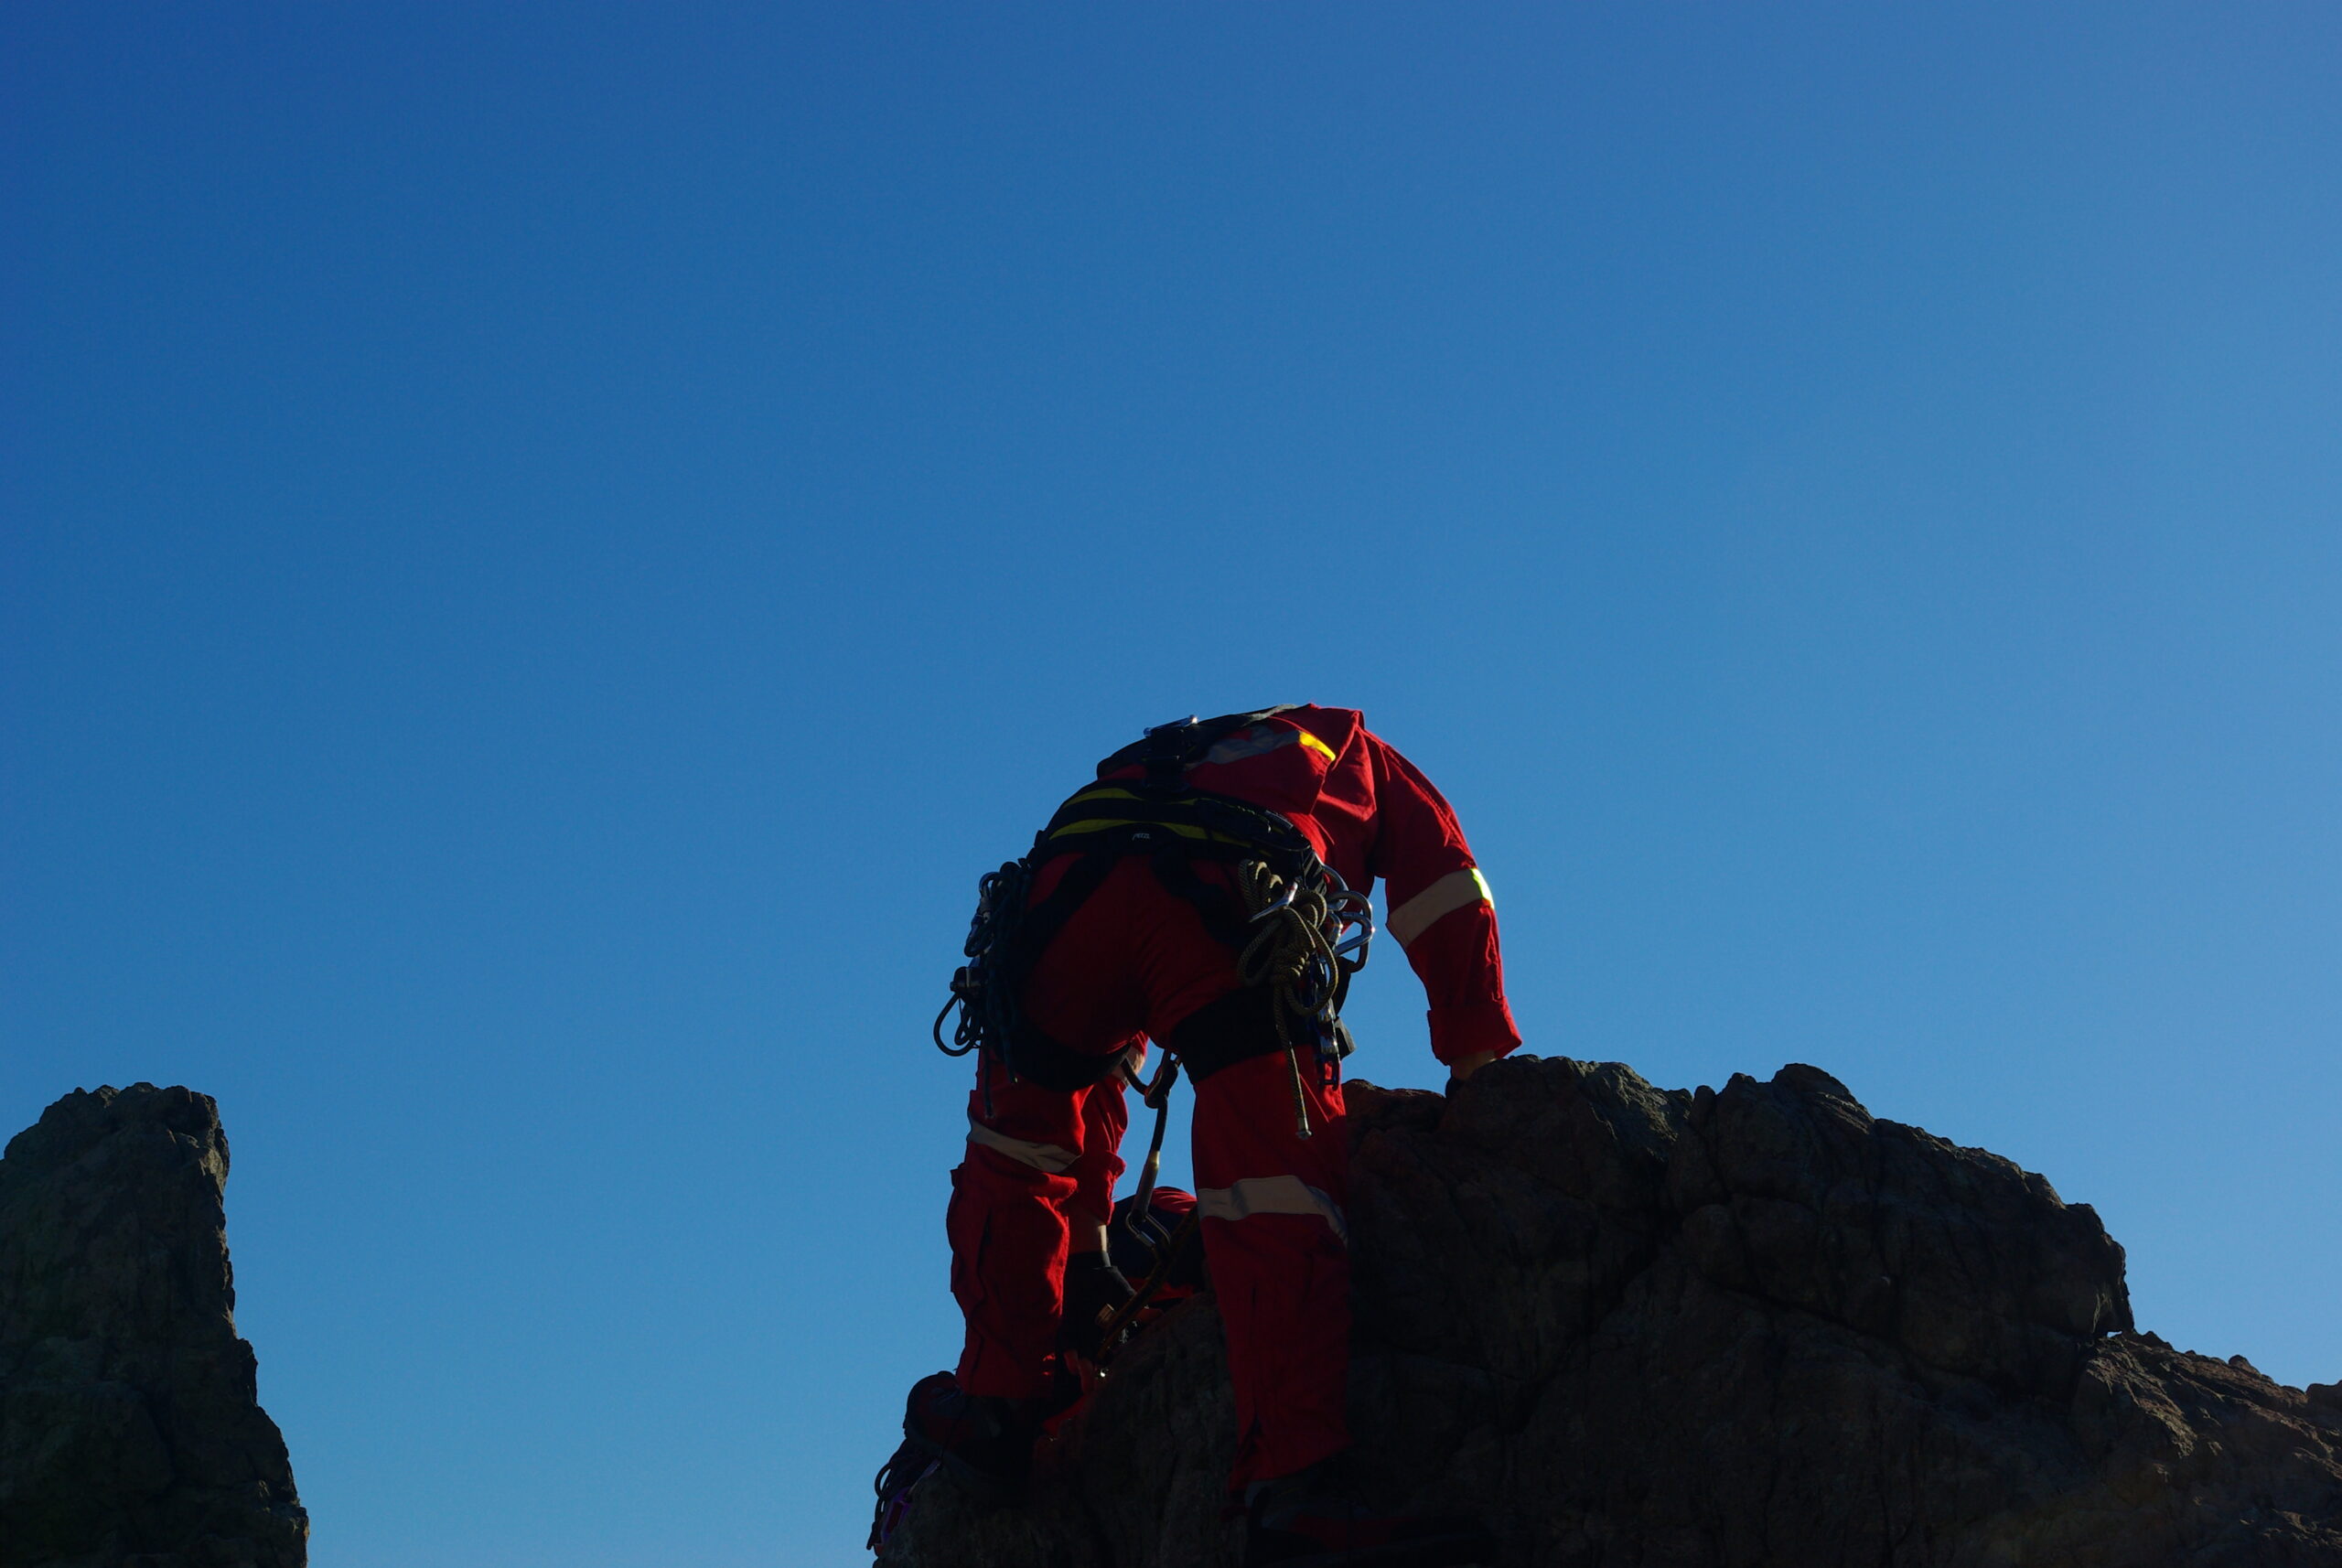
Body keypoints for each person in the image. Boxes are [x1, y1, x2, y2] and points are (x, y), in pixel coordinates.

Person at [916, 705, 1520, 1566]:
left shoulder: (1151, 761)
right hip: (1231, 884)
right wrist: (1475, 1058)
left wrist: (1088, 1257)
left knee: (1017, 1149)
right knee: (1271, 1182)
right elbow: (1447, 888)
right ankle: (1295, 1489)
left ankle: (995, 1407)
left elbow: (1105, 1057)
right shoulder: (1353, 750)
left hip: (1062, 898)